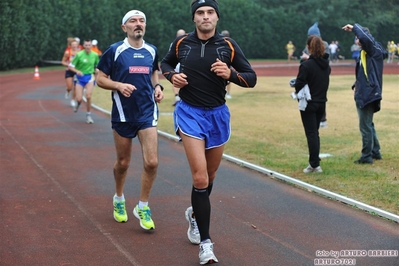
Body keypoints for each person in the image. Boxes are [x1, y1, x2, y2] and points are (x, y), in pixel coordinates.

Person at [161, 0, 257, 264]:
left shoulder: (228, 46)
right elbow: (165, 64)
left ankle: (194, 214)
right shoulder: (181, 44)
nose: (205, 17)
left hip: (217, 115)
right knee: (200, 178)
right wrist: (171, 77)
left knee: (210, 175)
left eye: (210, 12)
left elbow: (251, 77)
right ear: (194, 18)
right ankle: (206, 243)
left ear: (217, 18)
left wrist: (230, 73)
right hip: (190, 113)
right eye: (200, 13)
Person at [96, 10, 164, 230]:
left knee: (152, 162)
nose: (138, 24)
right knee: (123, 163)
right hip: (123, 115)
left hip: (147, 113)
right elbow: (100, 79)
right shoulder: (115, 51)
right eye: (133, 21)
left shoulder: (152, 50)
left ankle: (143, 206)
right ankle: (119, 198)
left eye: (142, 21)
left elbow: (154, 73)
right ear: (124, 27)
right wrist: (119, 85)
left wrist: (158, 87)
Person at [342, 23, 387, 164]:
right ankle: (375, 151)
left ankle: (366, 156)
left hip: (369, 93)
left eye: (357, 37)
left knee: (365, 126)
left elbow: (365, 38)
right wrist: (357, 85)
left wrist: (354, 27)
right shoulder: (366, 53)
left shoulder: (372, 50)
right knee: (369, 124)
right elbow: (366, 73)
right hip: (365, 91)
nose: (356, 40)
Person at [294, 35, 330, 173]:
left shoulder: (306, 66)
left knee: (311, 134)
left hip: (308, 104)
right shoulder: (326, 66)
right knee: (315, 133)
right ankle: (315, 161)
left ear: (308, 48)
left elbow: (299, 84)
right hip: (322, 102)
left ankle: (314, 164)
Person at [301, 22, 330, 128]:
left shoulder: (324, 45)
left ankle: (323, 120)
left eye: (311, 35)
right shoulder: (307, 45)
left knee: (320, 97)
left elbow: (324, 59)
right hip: (311, 74)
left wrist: (307, 58)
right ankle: (314, 119)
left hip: (321, 73)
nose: (310, 37)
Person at [68, 39, 100, 124]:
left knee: (88, 96)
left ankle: (88, 115)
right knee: (79, 99)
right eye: (86, 45)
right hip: (79, 78)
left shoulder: (95, 55)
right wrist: (77, 71)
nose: (88, 47)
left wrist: (97, 70)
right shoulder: (79, 55)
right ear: (83, 46)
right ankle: (78, 104)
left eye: (89, 45)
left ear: (91, 46)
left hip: (90, 77)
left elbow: (98, 66)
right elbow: (70, 67)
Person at [61, 39, 79, 107]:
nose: (74, 46)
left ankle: (73, 100)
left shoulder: (80, 52)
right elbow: (62, 62)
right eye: (73, 45)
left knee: (76, 86)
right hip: (69, 70)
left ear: (77, 45)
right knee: (69, 87)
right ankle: (68, 91)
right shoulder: (67, 52)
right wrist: (68, 65)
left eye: (75, 44)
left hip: (76, 71)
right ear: (70, 45)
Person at [171, 29, 186, 106]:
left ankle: (179, 97)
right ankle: (177, 96)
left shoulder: (189, 43)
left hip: (185, 65)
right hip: (177, 65)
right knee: (176, 80)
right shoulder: (174, 44)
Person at [221, 30, 233, 99]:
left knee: (228, 80)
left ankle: (228, 93)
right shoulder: (218, 43)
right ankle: (225, 93)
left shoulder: (230, 44)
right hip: (221, 63)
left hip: (227, 64)